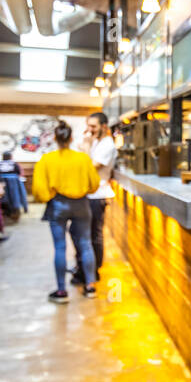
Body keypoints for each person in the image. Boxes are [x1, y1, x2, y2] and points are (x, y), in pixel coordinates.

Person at [32, 121, 99, 304]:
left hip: (58, 204)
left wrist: (48, 196)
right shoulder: (83, 159)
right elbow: (94, 185)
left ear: (55, 138)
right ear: (71, 138)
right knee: (85, 244)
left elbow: (39, 189)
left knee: (60, 247)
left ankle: (61, 291)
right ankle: (90, 286)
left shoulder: (47, 159)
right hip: (82, 204)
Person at [71, 112, 116, 285]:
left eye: (93, 126)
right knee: (81, 234)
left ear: (104, 127)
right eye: (88, 126)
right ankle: (83, 268)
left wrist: (86, 149)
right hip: (86, 194)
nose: (89, 130)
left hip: (97, 196)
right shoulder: (95, 142)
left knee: (92, 235)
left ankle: (93, 271)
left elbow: (90, 169)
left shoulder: (107, 145)